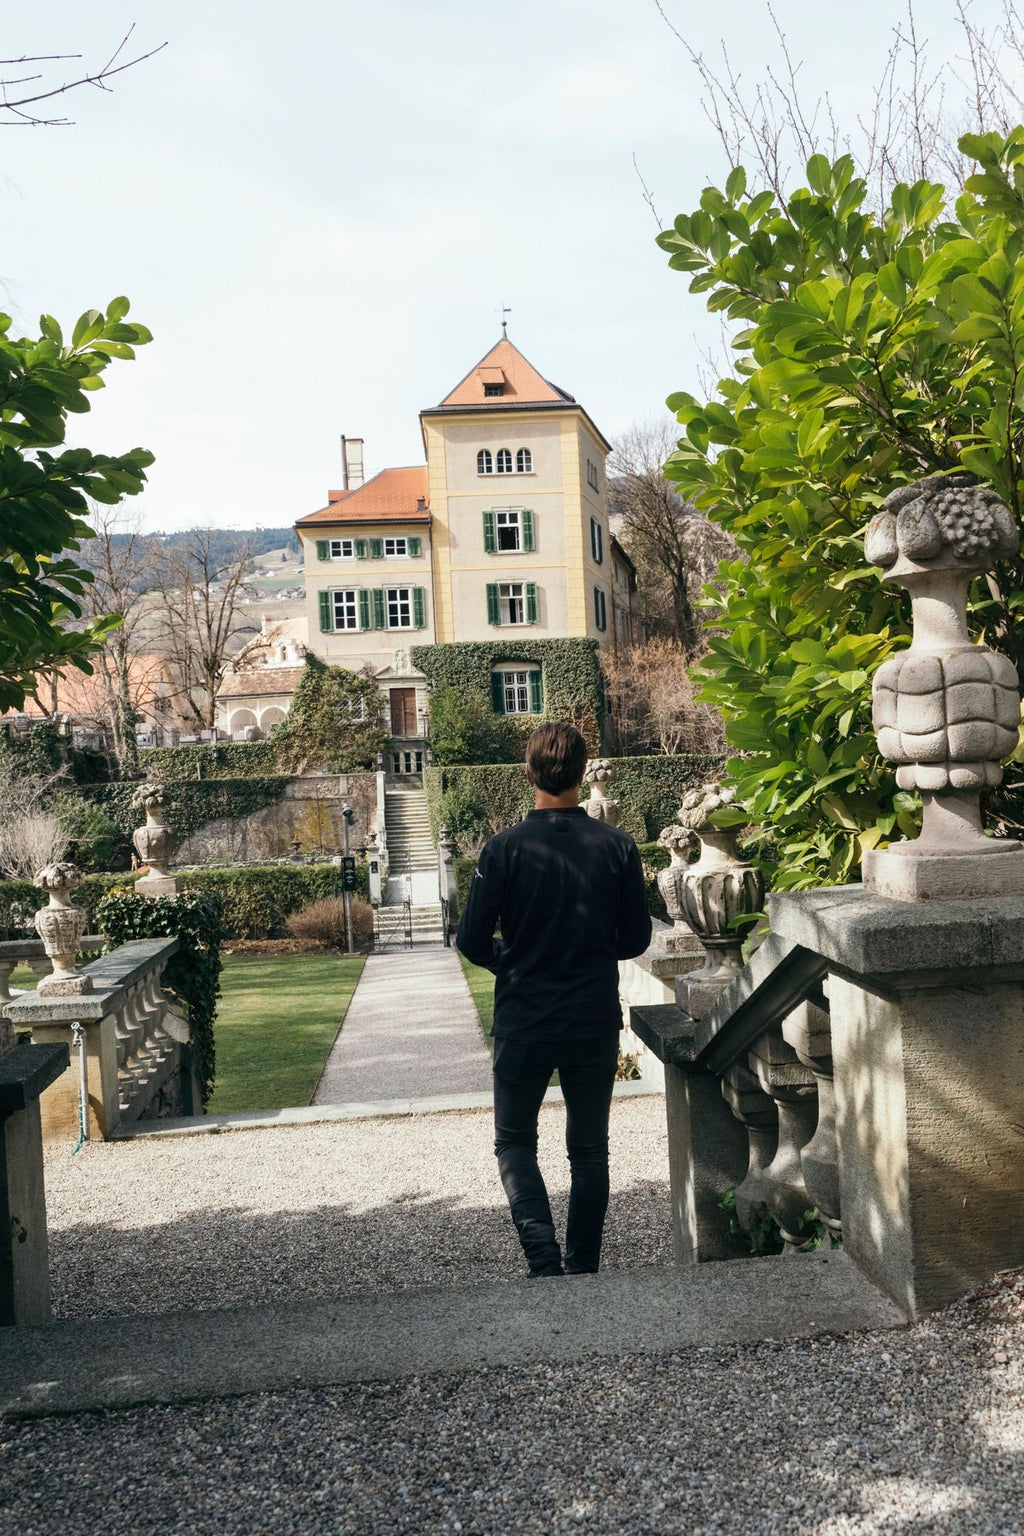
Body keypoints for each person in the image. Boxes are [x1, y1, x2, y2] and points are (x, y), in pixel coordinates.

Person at [456, 721, 652, 1279]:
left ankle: (544, 1262)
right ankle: (583, 1263)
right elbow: (635, 939)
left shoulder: (503, 849)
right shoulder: (616, 847)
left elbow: (471, 940)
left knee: (515, 1143)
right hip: (591, 1016)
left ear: (528, 773)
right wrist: (587, 951)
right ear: (583, 773)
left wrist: (513, 961)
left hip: (525, 1016)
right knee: (589, 1149)